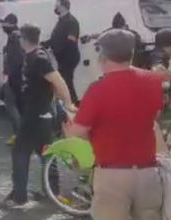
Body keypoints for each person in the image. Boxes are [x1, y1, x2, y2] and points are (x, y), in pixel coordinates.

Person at [64, 29, 164, 220]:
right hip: (148, 173)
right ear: (131, 54)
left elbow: (79, 130)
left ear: (103, 56)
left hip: (112, 176)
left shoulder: (97, 90)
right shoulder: (152, 82)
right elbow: (155, 114)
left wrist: (70, 128)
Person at [2, 24, 73, 209]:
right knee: (46, 154)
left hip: (37, 116)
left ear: (23, 40)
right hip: (39, 115)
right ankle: (53, 192)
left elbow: (58, 81)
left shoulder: (39, 57)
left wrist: (68, 104)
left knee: (20, 153)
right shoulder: (31, 57)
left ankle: (19, 197)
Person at [43, 0, 80, 103]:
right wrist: (45, 44)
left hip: (69, 58)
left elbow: (71, 40)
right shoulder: (61, 21)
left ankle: (73, 104)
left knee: (66, 82)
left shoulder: (71, 21)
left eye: (57, 6)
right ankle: (70, 104)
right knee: (64, 82)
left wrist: (57, 48)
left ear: (63, 7)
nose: (55, 8)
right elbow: (56, 38)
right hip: (63, 58)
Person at [0, 14, 24, 145]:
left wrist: (8, 74)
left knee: (11, 107)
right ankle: (21, 134)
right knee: (18, 107)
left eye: (5, 24)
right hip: (17, 77)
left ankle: (19, 135)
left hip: (15, 78)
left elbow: (17, 59)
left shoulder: (14, 37)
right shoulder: (15, 36)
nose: (3, 26)